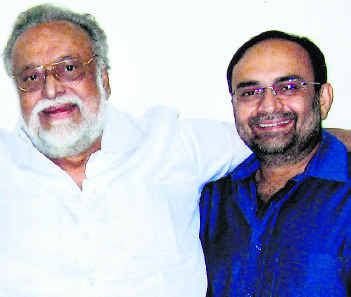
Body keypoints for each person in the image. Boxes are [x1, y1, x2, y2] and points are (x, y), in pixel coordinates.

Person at [0, 4, 251, 297]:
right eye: (31, 77)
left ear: (103, 79)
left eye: (69, 68)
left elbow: (275, 136)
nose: (51, 90)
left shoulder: (171, 143)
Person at [200, 30, 351, 297]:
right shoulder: (209, 198)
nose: (268, 106)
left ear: (323, 99)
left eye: (289, 87)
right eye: (250, 92)